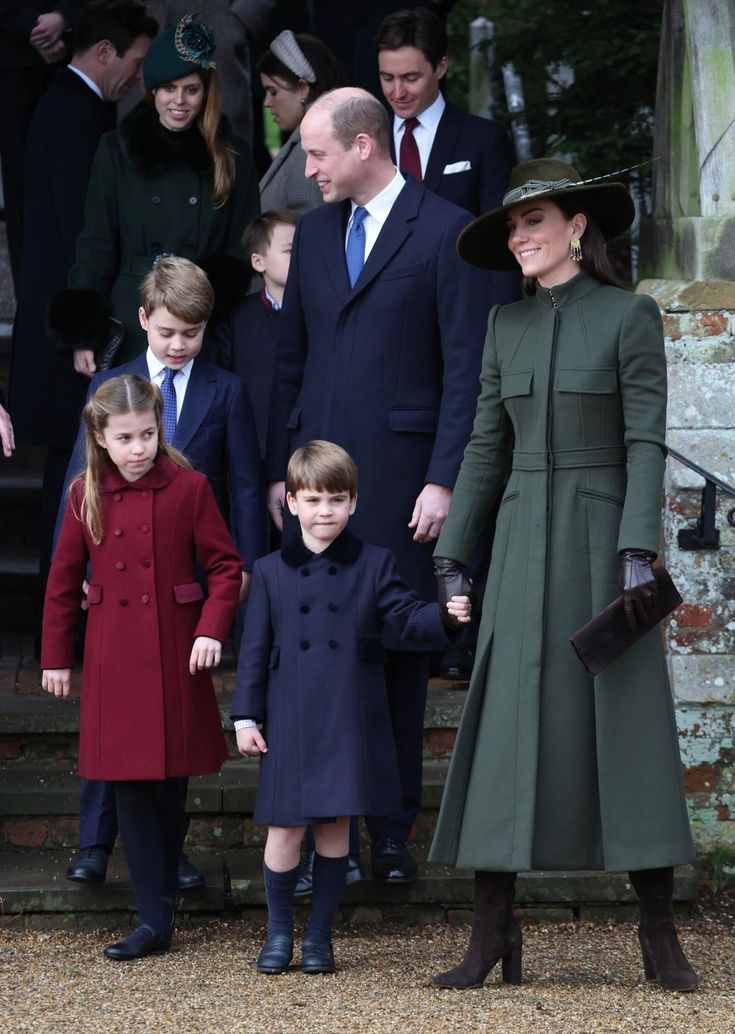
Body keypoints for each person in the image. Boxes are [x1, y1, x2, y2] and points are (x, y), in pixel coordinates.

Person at [428, 158, 698, 992]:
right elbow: (484, 446)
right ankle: (490, 934)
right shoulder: (504, 326)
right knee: (506, 727)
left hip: (596, 542)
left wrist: (633, 549)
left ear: (576, 227)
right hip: (516, 543)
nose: (519, 238)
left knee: (623, 724)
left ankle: (658, 935)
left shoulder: (629, 316)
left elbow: (643, 441)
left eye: (533, 221)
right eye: (512, 227)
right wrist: (450, 555)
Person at [266, 88, 492, 884]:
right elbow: (290, 358)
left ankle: (390, 834)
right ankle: (328, 831)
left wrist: (444, 479)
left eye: (317, 153)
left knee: (395, 656)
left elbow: (467, 370)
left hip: (401, 488)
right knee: (317, 659)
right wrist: (279, 470)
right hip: (315, 487)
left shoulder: (446, 231)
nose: (308, 168)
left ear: (364, 146)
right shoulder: (318, 232)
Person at [59, 256, 267, 887]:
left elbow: (246, 487)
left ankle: (168, 856)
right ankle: (94, 844)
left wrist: (249, 574)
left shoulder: (227, 390)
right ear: (144, 319)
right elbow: (80, 485)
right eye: (168, 332)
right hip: (118, 589)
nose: (179, 346)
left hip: (183, 587)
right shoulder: (113, 386)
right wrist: (72, 579)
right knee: (111, 722)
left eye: (193, 334)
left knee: (166, 732)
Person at [232, 440, 470, 974]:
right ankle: (278, 934)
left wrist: (447, 618)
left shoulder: (375, 563)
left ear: (354, 503)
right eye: (313, 500)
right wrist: (246, 717)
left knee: (336, 830)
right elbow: (252, 653)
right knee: (283, 829)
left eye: (337, 500)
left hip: (347, 717)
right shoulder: (269, 571)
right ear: (291, 503)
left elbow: (407, 617)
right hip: (290, 717)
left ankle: (319, 936)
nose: (325, 512)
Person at [41, 374, 242, 960]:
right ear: (100, 436)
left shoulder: (190, 487)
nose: (138, 449)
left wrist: (210, 627)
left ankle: (162, 904)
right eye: (125, 438)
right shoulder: (85, 493)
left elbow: (226, 568)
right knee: (128, 789)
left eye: (148, 435)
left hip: (177, 650)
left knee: (170, 789)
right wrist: (57, 657)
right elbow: (60, 582)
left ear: (160, 428)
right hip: (113, 655)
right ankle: (154, 919)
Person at [8, 0, 158, 626]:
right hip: (68, 334)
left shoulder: (68, 107)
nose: (139, 76)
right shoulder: (77, 116)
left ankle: (65, 622)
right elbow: (81, 235)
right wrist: (84, 331)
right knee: (70, 484)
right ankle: (63, 624)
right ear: (104, 52)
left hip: (63, 326)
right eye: (136, 60)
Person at [49, 13, 260, 369]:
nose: (179, 101)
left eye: (191, 89)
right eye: (168, 88)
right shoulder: (116, 150)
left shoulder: (233, 154)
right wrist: (83, 333)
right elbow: (96, 243)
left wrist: (204, 297)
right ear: (153, 90)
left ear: (206, 92)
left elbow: (243, 246)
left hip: (199, 322)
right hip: (134, 318)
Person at [209, 209, 298, 461]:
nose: (302, 256)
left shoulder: (321, 311)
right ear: (258, 262)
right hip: (250, 447)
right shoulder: (236, 317)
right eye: (291, 250)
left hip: (306, 451)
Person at [258, 30, 345, 215]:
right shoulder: (306, 141)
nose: (267, 102)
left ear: (303, 89)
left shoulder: (314, 147)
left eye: (273, 92)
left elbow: (314, 222)